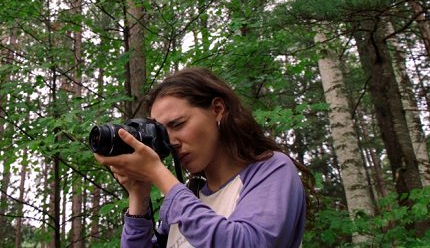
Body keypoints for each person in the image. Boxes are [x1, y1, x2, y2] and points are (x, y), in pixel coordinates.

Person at [94, 67, 315, 247]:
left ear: (218, 109)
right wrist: (138, 195)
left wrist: (159, 174)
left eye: (178, 124)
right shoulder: (190, 195)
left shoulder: (271, 170)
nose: (171, 142)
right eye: (162, 132)